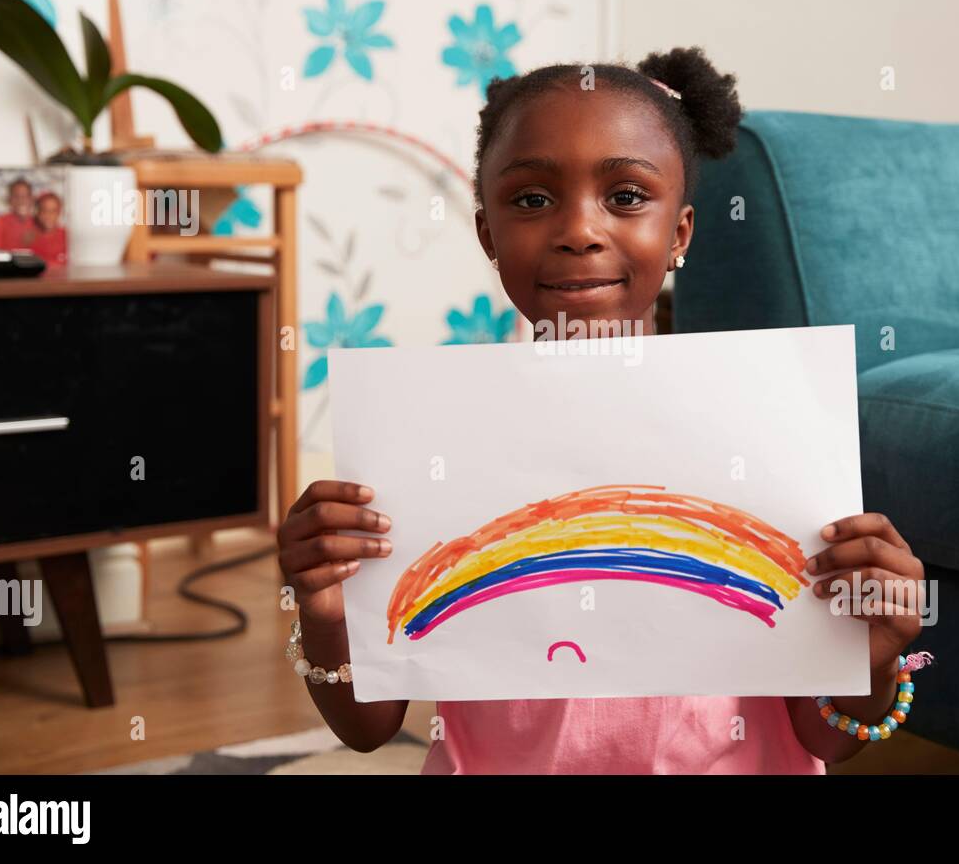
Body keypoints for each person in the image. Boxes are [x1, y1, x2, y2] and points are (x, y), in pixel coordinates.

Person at [277, 47, 926, 774]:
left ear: (679, 233)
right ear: (488, 232)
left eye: (625, 196)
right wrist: (327, 613)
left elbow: (828, 737)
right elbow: (367, 730)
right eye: (531, 200)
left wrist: (869, 655)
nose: (579, 230)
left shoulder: (767, 433)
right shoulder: (432, 449)